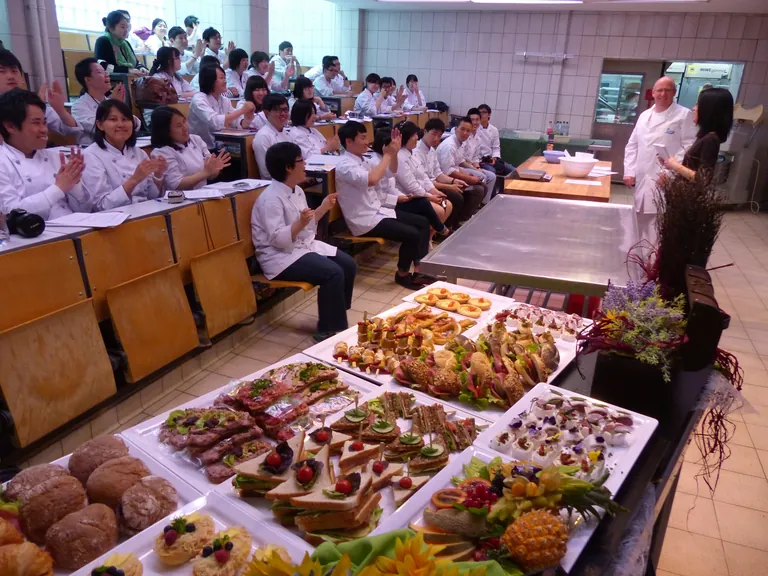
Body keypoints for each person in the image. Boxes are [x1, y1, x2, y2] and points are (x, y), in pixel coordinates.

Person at [251, 141, 354, 341]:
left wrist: (323, 208)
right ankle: (327, 329)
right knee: (333, 273)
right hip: (278, 257)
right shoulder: (270, 199)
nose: (305, 164)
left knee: (348, 264)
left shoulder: (296, 190)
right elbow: (277, 240)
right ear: (289, 167)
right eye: (301, 160)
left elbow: (307, 229)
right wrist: (300, 222)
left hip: (299, 247)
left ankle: (337, 313)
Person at [335, 121, 432, 289]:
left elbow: (391, 172)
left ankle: (419, 269)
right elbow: (372, 180)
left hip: (377, 210)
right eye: (362, 138)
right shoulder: (345, 165)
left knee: (423, 222)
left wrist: (394, 153)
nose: (367, 142)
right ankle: (402, 274)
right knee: (412, 234)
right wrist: (387, 155)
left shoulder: (362, 160)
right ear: (349, 141)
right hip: (364, 218)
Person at [624, 76, 696, 245]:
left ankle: (652, 257)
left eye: (668, 90)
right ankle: (637, 254)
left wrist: (670, 171)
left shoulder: (683, 114)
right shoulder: (644, 115)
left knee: (658, 222)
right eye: (660, 90)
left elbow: (688, 146)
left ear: (674, 92)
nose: (663, 94)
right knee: (639, 218)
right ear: (653, 93)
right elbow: (633, 145)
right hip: (642, 175)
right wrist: (629, 171)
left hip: (666, 176)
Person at [0, 89, 91, 220]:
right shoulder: (2, 161)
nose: (44, 130)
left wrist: (74, 184)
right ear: (11, 126)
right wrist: (59, 188)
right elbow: (12, 214)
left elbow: (85, 209)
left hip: (75, 226)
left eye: (44, 123)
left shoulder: (56, 157)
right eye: (36, 123)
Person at [82, 99, 166, 210]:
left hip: (146, 212)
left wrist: (158, 175)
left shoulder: (139, 153)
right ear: (100, 125)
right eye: (113, 119)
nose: (121, 125)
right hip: (116, 217)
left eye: (125, 119)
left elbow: (152, 197)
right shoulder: (91, 155)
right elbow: (101, 205)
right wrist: (134, 180)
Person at [0, 49, 83, 140]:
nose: (11, 76)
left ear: (22, 78)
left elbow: (73, 131)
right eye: (2, 71)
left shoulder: (33, 103)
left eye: (14, 71)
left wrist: (61, 111)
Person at [413, 118, 481, 228]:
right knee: (456, 196)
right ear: (425, 131)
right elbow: (424, 181)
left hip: (433, 184)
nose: (436, 139)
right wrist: (450, 186)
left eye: (439, 136)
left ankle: (456, 223)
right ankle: (445, 228)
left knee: (469, 190)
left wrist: (454, 181)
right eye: (434, 134)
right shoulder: (415, 151)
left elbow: (439, 174)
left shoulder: (432, 150)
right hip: (424, 188)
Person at [389, 122, 451, 244]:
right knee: (438, 210)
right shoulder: (400, 156)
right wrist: (430, 196)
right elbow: (410, 185)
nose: (417, 138)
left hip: (421, 194)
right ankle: (429, 238)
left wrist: (435, 191)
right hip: (407, 197)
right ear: (405, 137)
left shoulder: (412, 153)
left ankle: (429, 237)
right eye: (414, 135)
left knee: (447, 205)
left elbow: (424, 177)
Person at [661, 87, 733, 184]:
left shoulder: (711, 139)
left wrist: (675, 165)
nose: (694, 108)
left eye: (698, 105)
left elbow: (704, 179)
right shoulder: (703, 136)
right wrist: (671, 164)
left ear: (708, 110)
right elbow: (692, 167)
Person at [150, 106, 231, 190]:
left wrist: (215, 169)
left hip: (203, 193)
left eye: (184, 121)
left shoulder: (196, 140)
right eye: (178, 126)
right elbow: (176, 185)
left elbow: (211, 175)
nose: (185, 128)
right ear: (165, 131)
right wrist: (205, 172)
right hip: (179, 197)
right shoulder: (161, 152)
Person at [71, 57, 140, 146]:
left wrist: (117, 106)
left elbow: (136, 124)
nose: (107, 75)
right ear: (88, 79)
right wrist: (114, 106)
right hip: (90, 149)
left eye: (105, 71)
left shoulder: (110, 101)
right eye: (100, 72)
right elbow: (98, 128)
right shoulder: (79, 106)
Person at [188, 64, 255, 147]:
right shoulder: (198, 99)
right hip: (201, 148)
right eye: (221, 78)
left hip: (221, 147)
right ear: (210, 80)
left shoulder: (225, 100)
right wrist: (241, 111)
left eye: (225, 78)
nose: (225, 81)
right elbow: (214, 122)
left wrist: (247, 120)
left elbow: (235, 121)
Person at [437, 117, 488, 211]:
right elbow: (448, 171)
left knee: (482, 185)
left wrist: (470, 175)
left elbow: (459, 163)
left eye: (468, 131)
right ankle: (463, 218)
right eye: (462, 129)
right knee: (478, 190)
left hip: (452, 176)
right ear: (456, 129)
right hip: (443, 179)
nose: (465, 133)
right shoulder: (449, 146)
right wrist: (468, 178)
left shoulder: (459, 143)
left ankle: (469, 214)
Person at [458, 108, 497, 204]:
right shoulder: (464, 136)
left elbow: (475, 158)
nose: (475, 123)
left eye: (477, 120)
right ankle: (475, 203)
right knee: (482, 176)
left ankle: (485, 203)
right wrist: (475, 169)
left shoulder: (478, 139)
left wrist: (478, 167)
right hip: (461, 167)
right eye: (472, 120)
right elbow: (461, 160)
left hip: (471, 166)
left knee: (492, 176)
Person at [94, 11, 148, 75]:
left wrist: (141, 68)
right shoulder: (103, 41)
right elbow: (102, 66)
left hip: (129, 78)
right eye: (122, 27)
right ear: (111, 28)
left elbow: (136, 62)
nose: (126, 30)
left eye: (127, 27)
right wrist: (127, 70)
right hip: (112, 79)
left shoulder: (126, 43)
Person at [252, 94, 290, 178]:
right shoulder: (263, 137)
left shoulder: (288, 133)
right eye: (278, 110)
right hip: (275, 183)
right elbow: (267, 172)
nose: (283, 113)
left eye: (285, 110)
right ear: (266, 113)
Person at [477, 104, 515, 176]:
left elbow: (496, 148)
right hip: (480, 161)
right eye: (479, 113)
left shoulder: (494, 130)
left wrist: (494, 158)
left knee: (513, 171)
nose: (481, 115)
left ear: (489, 115)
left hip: (492, 159)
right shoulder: (475, 128)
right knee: (492, 171)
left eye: (484, 112)